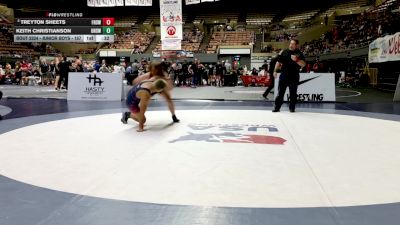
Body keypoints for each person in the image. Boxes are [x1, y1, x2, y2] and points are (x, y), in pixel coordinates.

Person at [273, 39, 306, 113]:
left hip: (294, 76)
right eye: (290, 43)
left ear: (296, 45)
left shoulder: (299, 53)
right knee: (280, 92)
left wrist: (297, 60)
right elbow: (278, 62)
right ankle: (277, 107)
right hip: (284, 75)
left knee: (293, 93)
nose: (291, 45)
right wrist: (275, 71)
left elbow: (303, 64)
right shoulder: (284, 52)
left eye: (293, 44)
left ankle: (292, 108)